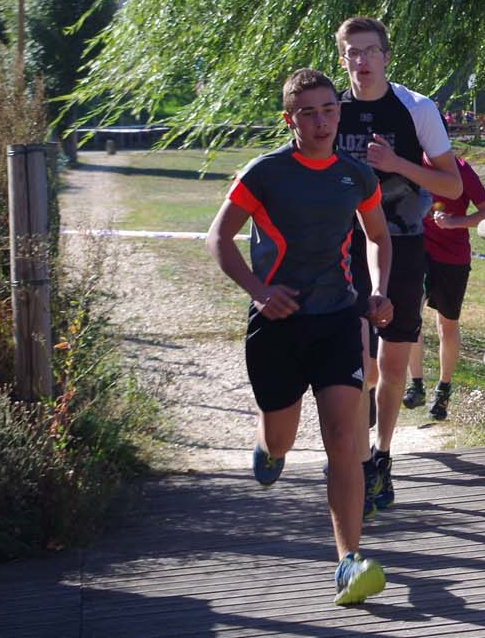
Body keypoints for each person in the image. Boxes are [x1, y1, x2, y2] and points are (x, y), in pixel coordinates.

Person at [204, 69, 393, 606]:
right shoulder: (265, 173)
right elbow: (219, 237)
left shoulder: (356, 175)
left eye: (328, 109)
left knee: (343, 439)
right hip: (278, 323)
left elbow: (378, 236)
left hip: (337, 318)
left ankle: (348, 563)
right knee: (283, 438)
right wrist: (259, 290)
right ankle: (269, 449)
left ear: (339, 112)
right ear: (289, 119)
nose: (320, 120)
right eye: (307, 112)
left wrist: (379, 290)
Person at [333, 17, 462, 516]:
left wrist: (397, 164)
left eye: (370, 51)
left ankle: (380, 457)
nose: (362, 61)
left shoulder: (416, 108)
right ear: (342, 58)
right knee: (357, 364)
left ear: (387, 56)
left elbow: (451, 187)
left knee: (390, 363)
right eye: (352, 52)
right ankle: (358, 456)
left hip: (404, 244)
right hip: (344, 249)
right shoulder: (331, 108)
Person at [404, 156, 485, 420]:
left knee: (447, 325)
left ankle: (443, 389)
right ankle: (416, 385)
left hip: (453, 257)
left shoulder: (461, 169)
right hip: (418, 251)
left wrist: (454, 222)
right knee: (410, 317)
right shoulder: (410, 162)